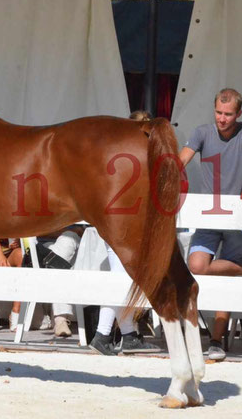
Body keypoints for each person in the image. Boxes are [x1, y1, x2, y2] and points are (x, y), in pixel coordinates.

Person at [179, 88, 242, 361]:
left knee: (225, 277)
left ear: (238, 114)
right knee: (196, 266)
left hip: (238, 212)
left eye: (228, 114)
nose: (222, 118)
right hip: (208, 213)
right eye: (218, 112)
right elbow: (182, 158)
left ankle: (216, 340)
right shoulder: (202, 131)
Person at [89, 110, 160, 355]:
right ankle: (104, 334)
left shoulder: (115, 154)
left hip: (117, 224)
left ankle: (124, 334)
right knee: (123, 280)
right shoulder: (137, 156)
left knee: (123, 278)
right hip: (122, 225)